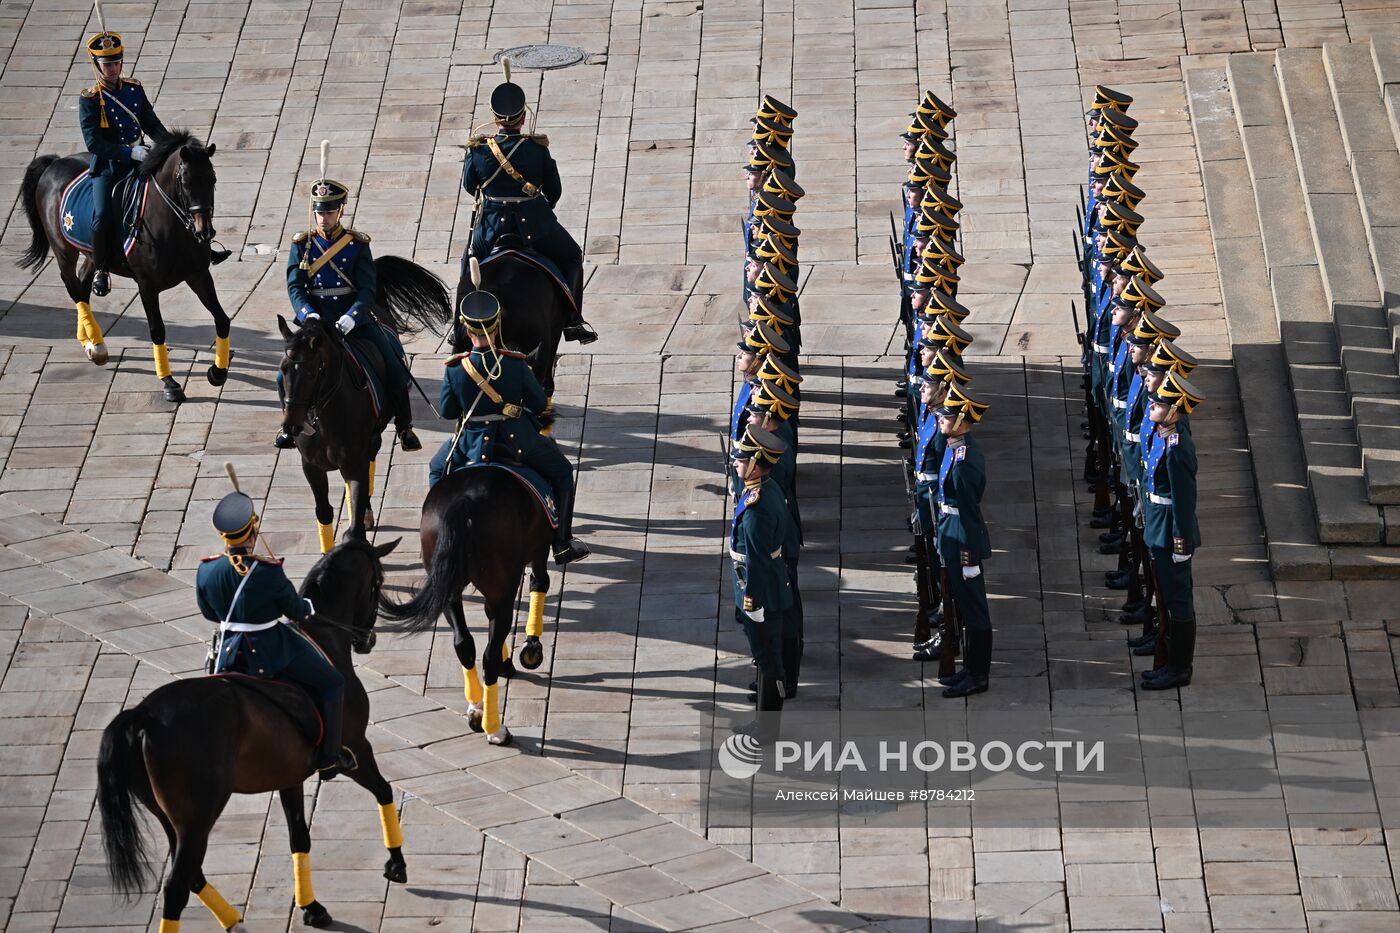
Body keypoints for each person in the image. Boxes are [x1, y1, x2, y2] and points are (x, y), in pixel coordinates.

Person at [197, 480, 352, 774]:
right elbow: (294, 610)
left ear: (224, 537)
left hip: (227, 650)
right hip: (270, 647)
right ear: (253, 531)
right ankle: (329, 757)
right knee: (334, 683)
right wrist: (307, 606)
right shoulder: (268, 571)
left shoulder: (206, 569)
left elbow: (208, 613)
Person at [429, 290, 589, 565]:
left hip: (469, 443)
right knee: (563, 471)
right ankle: (562, 543)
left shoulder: (456, 369)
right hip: (518, 440)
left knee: (435, 469)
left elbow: (447, 413)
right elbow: (540, 404)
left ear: (468, 331)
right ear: (496, 327)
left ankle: (441, 533)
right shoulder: (514, 364)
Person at [279, 175, 422, 451]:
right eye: (319, 212)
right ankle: (288, 425)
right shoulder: (301, 244)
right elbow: (295, 286)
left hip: (352, 321)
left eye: (329, 212)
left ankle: (405, 427)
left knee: (394, 365)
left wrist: (352, 316)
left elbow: (368, 291)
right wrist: (308, 313)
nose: (323, 218)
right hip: (315, 323)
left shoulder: (357, 245)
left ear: (340, 211)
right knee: (284, 372)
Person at [463, 79, 596, 344]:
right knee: (572, 257)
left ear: (495, 118)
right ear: (523, 118)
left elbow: (469, 186)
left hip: (491, 228)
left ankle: (462, 319)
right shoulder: (537, 148)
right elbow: (554, 191)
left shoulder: (478, 150)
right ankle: (573, 321)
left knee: (469, 262)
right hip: (535, 225)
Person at [78, 28, 169, 298]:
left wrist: (170, 146)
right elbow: (93, 143)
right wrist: (128, 153)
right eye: (107, 64)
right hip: (109, 166)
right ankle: (101, 269)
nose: (113, 68)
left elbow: (151, 122)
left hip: (142, 157)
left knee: (175, 190)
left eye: (116, 63)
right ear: (97, 66)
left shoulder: (133, 89)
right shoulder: (91, 99)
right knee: (103, 214)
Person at [730, 424, 797, 735]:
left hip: (763, 593)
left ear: (756, 464)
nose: (735, 463)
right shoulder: (765, 488)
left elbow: (757, 560)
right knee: (766, 659)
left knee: (768, 661)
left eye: (741, 460)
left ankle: (768, 729)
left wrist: (752, 600)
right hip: (770, 585)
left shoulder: (758, 509)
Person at [1140, 371, 1202, 690]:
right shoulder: (1164, 436)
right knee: (1167, 597)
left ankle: (1179, 668)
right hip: (1158, 525)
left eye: (1158, 403)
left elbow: (1182, 499)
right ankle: (1170, 662)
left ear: (1173, 411)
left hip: (1171, 532)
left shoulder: (1177, 448)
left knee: (1178, 602)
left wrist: (1181, 542)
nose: (1151, 405)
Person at [932, 384, 993, 698]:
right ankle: (968, 669)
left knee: (974, 611)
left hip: (963, 540)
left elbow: (969, 512)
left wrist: (969, 559)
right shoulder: (954, 447)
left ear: (961, 421)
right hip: (951, 534)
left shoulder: (965, 460)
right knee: (964, 608)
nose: (940, 419)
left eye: (947, 416)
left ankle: (978, 675)